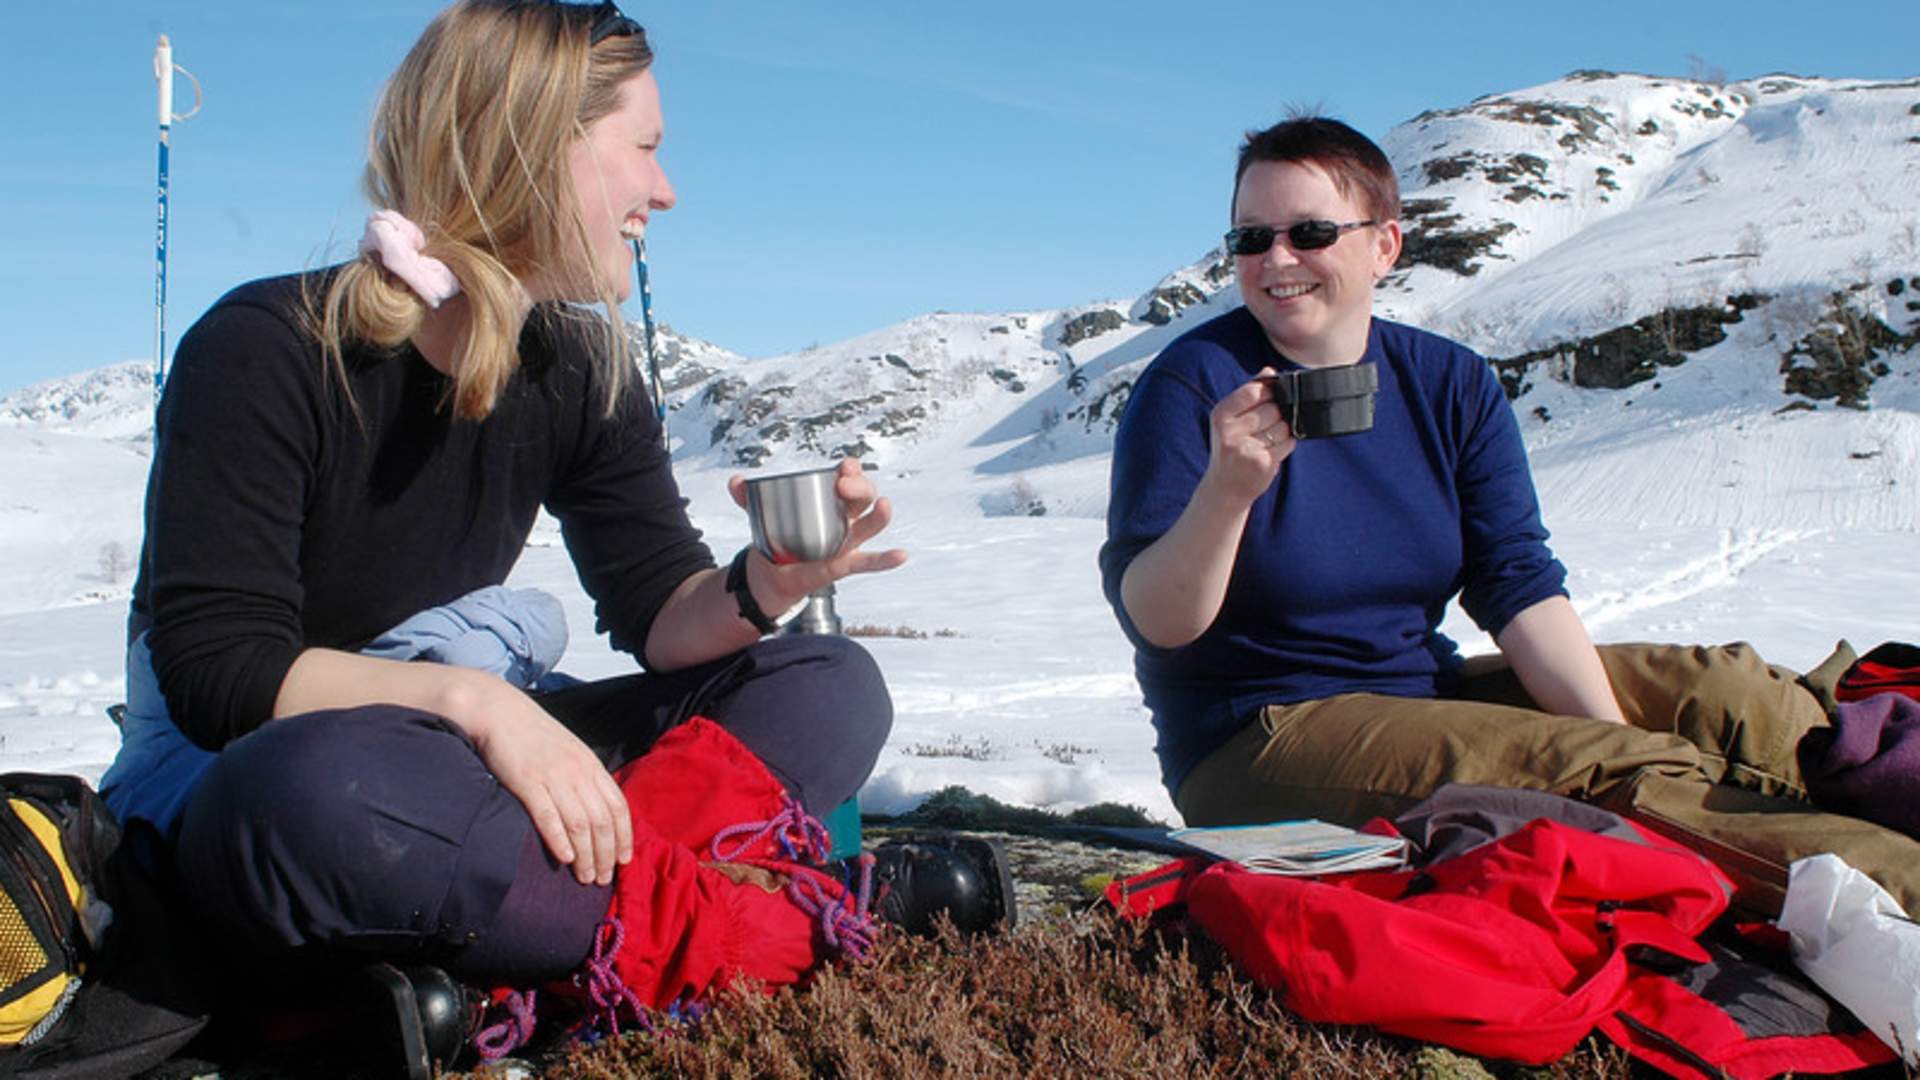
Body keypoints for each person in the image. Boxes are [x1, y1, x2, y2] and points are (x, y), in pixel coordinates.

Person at [100, 0, 1009, 1066]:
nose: (665, 190)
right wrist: (478, 705)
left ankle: (520, 945)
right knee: (310, 796)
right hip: (264, 775)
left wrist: (764, 585)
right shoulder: (271, 348)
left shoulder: (576, 367)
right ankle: (783, 931)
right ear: (534, 145)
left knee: (826, 682)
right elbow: (218, 674)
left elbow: (658, 610)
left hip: (468, 774)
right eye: (646, 148)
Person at [1099, 115, 1920, 918]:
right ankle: (1900, 889)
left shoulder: (1447, 382)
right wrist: (1227, 492)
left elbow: (1516, 582)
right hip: (1255, 741)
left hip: (1420, 695)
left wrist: (1616, 737)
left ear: (1385, 245)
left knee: (1726, 694)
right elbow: (1161, 623)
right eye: (1251, 239)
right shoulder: (1194, 384)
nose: (1276, 260)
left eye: (1309, 232)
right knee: (1606, 774)